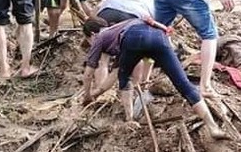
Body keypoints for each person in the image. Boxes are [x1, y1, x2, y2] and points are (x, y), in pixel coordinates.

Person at [82, 18, 227, 138]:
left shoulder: (100, 37)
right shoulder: (120, 29)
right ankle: (213, 127)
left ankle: (130, 119)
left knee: (125, 79)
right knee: (184, 84)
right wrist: (96, 94)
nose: (90, 43)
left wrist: (87, 95)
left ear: (92, 34)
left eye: (88, 40)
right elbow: (115, 73)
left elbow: (89, 73)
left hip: (134, 40)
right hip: (159, 38)